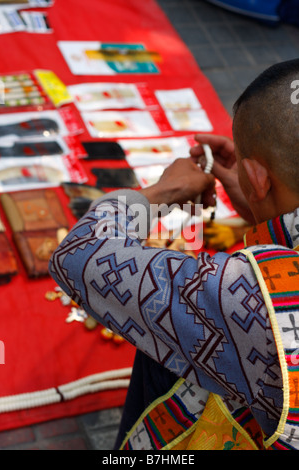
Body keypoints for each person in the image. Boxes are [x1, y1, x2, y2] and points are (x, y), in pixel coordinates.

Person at [49, 59, 299, 451]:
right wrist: (258, 204)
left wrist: (163, 191)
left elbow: (78, 255)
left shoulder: (256, 296)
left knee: (169, 345)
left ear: (258, 179)